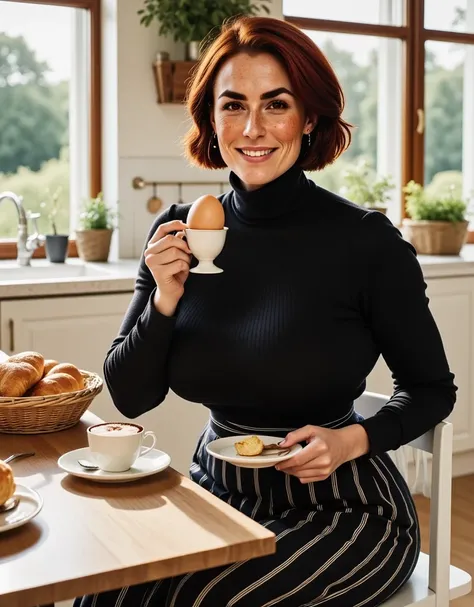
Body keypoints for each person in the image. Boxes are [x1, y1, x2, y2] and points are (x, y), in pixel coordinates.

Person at [75, 15, 456, 607]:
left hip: (344, 509)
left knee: (196, 600)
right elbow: (130, 397)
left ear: (309, 118)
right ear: (211, 119)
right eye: (233, 106)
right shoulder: (180, 231)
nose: (252, 128)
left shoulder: (365, 243)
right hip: (216, 488)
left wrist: (354, 439)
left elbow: (432, 390)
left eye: (275, 105)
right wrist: (165, 297)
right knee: (104, 590)